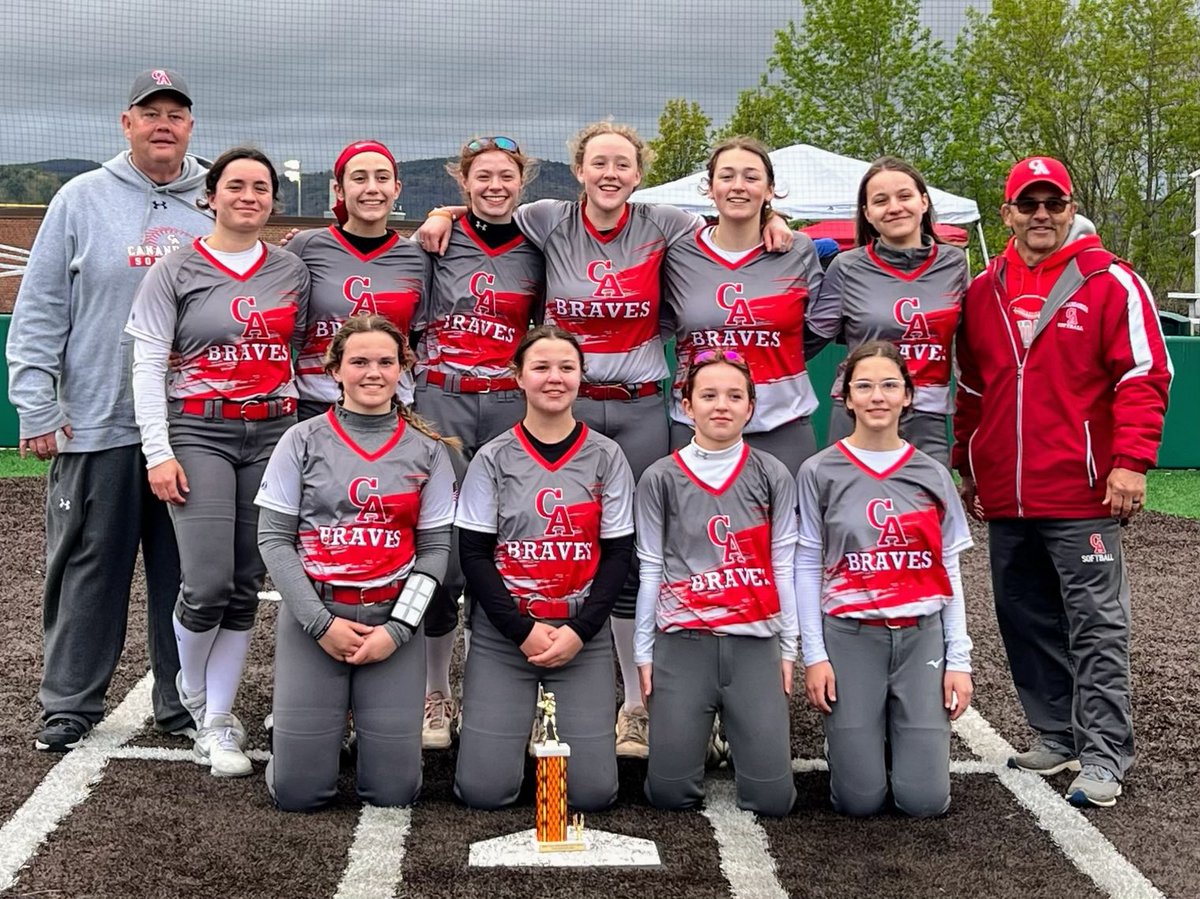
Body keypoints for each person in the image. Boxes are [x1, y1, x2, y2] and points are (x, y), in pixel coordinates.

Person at [419, 121, 792, 759]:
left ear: (639, 173)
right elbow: (493, 203)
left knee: (637, 553)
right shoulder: (548, 216)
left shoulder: (666, 223)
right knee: (531, 541)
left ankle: (637, 705)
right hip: (568, 404)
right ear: (580, 171)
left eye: (622, 163)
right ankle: (468, 689)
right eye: (599, 163)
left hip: (643, 407)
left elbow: (732, 233)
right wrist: (442, 209)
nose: (611, 174)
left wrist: (774, 220)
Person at [954, 156, 1172, 808]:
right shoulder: (982, 292)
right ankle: (1057, 731)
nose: (1042, 214)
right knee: (1023, 617)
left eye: (1054, 203)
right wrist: (971, 463)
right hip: (1008, 495)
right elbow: (972, 389)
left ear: (1071, 207)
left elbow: (1144, 376)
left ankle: (1104, 753)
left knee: (1097, 626)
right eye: (1029, 203)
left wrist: (1130, 460)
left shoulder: (1112, 282)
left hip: (1081, 493)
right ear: (1008, 213)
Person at [6, 68, 207, 751]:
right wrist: (35, 404)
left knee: (187, 575)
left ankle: (185, 702)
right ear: (126, 123)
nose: (163, 123)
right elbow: (38, 310)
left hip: (190, 429)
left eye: (175, 113)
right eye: (149, 112)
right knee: (89, 566)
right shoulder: (80, 198)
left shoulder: (214, 199)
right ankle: (69, 701)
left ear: (189, 126)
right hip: (97, 421)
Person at [126, 147, 310, 777]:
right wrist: (158, 451)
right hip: (199, 431)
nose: (249, 196)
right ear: (210, 195)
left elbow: (306, 353)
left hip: (272, 432)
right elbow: (148, 363)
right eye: (236, 185)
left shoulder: (290, 270)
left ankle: (216, 720)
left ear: (272, 200)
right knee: (205, 582)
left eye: (261, 187)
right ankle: (192, 690)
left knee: (244, 584)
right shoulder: (174, 269)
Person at [256, 315, 457, 810]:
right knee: (299, 794)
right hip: (317, 619)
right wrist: (321, 623)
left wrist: (399, 630)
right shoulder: (300, 440)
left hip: (391, 618)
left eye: (386, 361)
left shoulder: (429, 450)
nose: (373, 372)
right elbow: (275, 541)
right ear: (335, 370)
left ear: (402, 370)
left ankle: (348, 728)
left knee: (394, 791)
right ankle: (303, 736)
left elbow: (433, 552)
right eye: (359, 361)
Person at [453, 325, 635, 811]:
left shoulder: (607, 455)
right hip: (507, 630)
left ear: (581, 377)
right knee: (484, 792)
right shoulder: (493, 457)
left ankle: (554, 731)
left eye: (566, 368)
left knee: (592, 795)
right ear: (518, 377)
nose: (554, 378)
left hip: (580, 628)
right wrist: (518, 629)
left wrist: (580, 628)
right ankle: (511, 733)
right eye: (541, 367)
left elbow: (619, 554)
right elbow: (473, 554)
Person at [797, 340, 974, 817]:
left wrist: (959, 659)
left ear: (908, 397)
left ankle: (899, 735)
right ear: (847, 397)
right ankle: (855, 744)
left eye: (890, 385)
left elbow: (949, 570)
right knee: (859, 801)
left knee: (925, 802)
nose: (878, 396)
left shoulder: (932, 474)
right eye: (865, 386)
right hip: (852, 636)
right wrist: (814, 656)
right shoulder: (819, 471)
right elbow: (808, 566)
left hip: (921, 638)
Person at [411, 136, 544, 749]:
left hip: (511, 404)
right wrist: (436, 217)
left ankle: (506, 687)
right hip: (444, 400)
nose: (495, 185)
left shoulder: (538, 247)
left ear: (524, 183)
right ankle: (437, 692)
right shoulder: (436, 240)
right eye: (482, 175)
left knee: (512, 545)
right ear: (462, 182)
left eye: (506, 176)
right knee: (442, 547)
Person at [634, 349, 798, 816]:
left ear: (751, 406)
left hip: (754, 644)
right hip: (683, 644)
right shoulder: (660, 477)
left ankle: (733, 729)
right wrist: (644, 654)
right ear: (686, 405)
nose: (721, 405)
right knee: (668, 795)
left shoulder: (772, 474)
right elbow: (650, 570)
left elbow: (783, 566)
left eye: (734, 396)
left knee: (773, 800)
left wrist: (788, 650)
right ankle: (700, 732)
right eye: (708, 395)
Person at [661, 136, 825, 475]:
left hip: (783, 424)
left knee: (789, 527)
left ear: (769, 190)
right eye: (726, 176)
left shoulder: (798, 251)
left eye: (751, 177)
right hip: (695, 427)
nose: (738, 186)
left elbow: (817, 329)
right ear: (710, 188)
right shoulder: (677, 253)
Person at [807, 157, 969, 466]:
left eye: (904, 196)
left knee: (926, 511)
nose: (894, 207)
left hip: (926, 417)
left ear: (923, 201)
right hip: (858, 414)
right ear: (867, 213)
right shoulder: (847, 267)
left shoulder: (954, 263)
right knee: (848, 511)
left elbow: (974, 348)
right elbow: (806, 340)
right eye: (880, 201)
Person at [287, 140, 429, 421]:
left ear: (396, 188)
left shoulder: (418, 257)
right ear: (339, 190)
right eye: (359, 178)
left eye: (382, 178)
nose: (372, 188)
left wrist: (445, 213)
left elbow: (418, 336)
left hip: (391, 405)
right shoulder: (305, 246)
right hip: (318, 404)